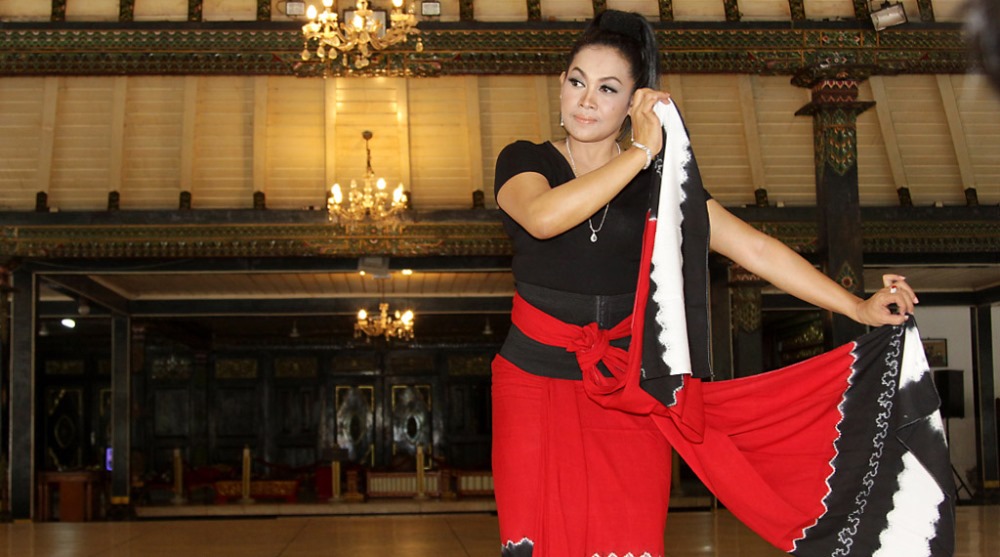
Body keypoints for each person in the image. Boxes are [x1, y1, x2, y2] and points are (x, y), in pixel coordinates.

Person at [492, 10, 954, 557]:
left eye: (607, 88)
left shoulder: (662, 188)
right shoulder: (526, 160)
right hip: (531, 383)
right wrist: (642, 153)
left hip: (630, 391)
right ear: (561, 85)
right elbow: (543, 218)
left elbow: (755, 249)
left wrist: (857, 306)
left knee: (630, 540)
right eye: (577, 81)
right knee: (536, 539)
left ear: (635, 103)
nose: (586, 100)